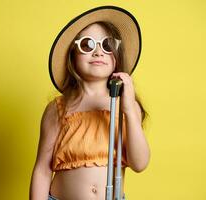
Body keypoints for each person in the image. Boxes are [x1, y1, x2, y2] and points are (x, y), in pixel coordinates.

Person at [30, 6, 150, 200]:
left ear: (116, 56)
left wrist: (128, 109)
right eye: (87, 45)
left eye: (107, 45)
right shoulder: (59, 108)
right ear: (72, 55)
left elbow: (140, 163)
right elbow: (42, 169)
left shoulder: (125, 106)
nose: (98, 52)